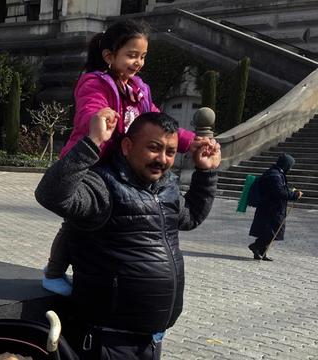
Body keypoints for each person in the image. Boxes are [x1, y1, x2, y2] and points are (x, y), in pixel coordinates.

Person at [35, 112, 221, 359]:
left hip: (152, 338)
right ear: (127, 146)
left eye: (170, 151)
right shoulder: (103, 186)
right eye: (154, 148)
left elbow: (191, 217)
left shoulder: (166, 187)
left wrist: (205, 174)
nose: (162, 159)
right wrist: (92, 141)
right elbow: (51, 194)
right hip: (111, 340)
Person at [42, 19, 200, 296]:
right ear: (109, 56)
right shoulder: (94, 81)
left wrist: (189, 141)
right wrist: (98, 118)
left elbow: (156, 120)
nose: (137, 62)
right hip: (93, 160)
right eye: (131, 55)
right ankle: (53, 272)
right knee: (75, 221)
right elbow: (90, 107)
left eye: (142, 56)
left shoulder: (138, 88)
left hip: (121, 166)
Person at [248, 153, 302, 261]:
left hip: (273, 208)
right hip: (271, 209)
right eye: (290, 166)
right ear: (286, 164)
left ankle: (261, 252)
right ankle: (256, 246)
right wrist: (295, 195)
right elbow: (279, 192)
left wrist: (291, 192)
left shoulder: (277, 173)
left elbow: (280, 189)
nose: (290, 168)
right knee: (271, 231)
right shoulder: (274, 175)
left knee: (271, 231)